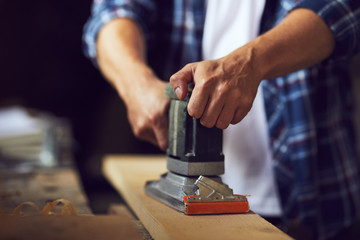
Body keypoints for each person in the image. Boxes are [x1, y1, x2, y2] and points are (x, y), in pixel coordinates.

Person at [83, 0, 360, 239]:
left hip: (316, 191)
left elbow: (343, 8)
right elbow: (114, 11)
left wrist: (252, 62)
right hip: (188, 208)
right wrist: (136, 84)